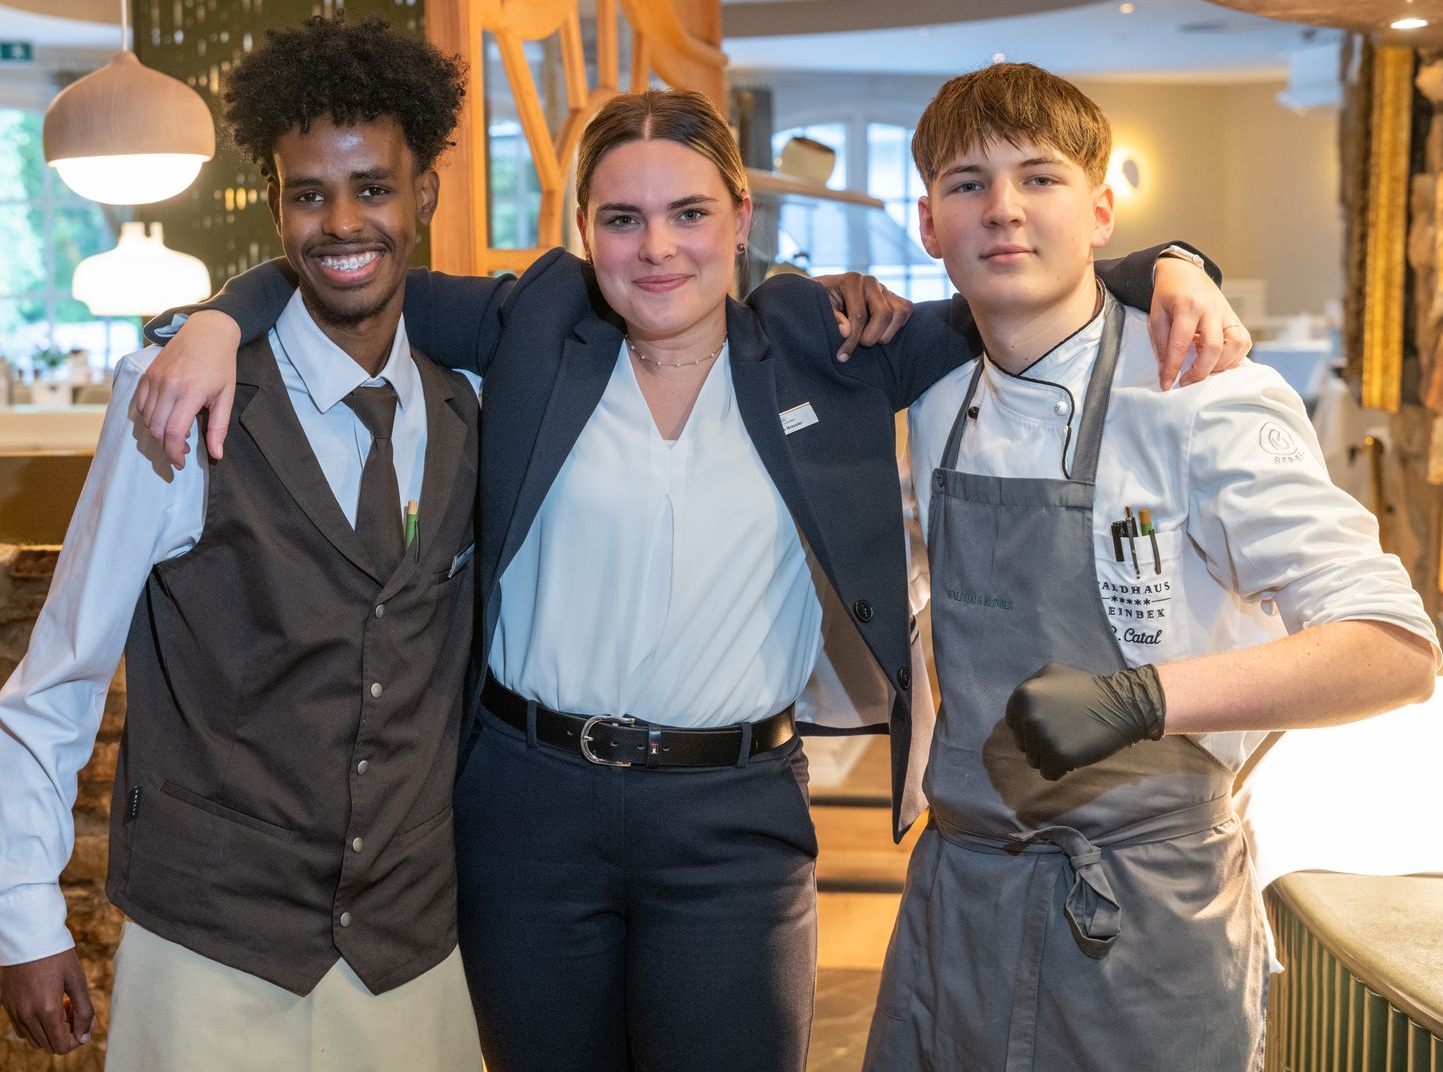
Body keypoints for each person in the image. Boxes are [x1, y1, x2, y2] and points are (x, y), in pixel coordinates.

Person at [134, 78, 1247, 1070]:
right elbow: (346, 268)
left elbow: (1017, 282)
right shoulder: (540, 320)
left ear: (739, 221)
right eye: (621, 219)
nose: (656, 248)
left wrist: (1170, 267)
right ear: (581, 231)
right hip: (527, 808)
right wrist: (218, 321)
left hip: (734, 823)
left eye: (688, 214)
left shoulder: (824, 340)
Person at [863, 62, 1439, 1071]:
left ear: (1101, 211)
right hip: (962, 901)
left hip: (1145, 917)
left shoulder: (1205, 392)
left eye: (1038, 179)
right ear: (928, 225)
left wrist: (1138, 697)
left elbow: (1393, 649)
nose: (1002, 211)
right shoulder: (935, 386)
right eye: (968, 185)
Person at [0, 16, 485, 1071]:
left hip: (413, 951)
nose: (342, 221)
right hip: (211, 949)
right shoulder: (170, 399)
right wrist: (27, 917)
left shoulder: (476, 401)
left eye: (374, 187)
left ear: (426, 193)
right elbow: (60, 672)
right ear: (273, 203)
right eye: (309, 193)